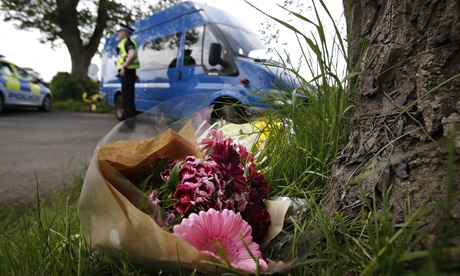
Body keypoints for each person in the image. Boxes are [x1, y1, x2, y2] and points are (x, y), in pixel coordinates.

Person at [116, 23, 140, 132]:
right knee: (127, 99)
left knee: (127, 100)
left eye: (120, 31)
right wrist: (134, 74)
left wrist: (124, 68)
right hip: (129, 74)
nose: (118, 33)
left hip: (127, 74)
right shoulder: (125, 43)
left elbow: (132, 54)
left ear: (125, 33)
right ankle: (128, 123)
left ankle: (129, 125)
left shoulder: (128, 42)